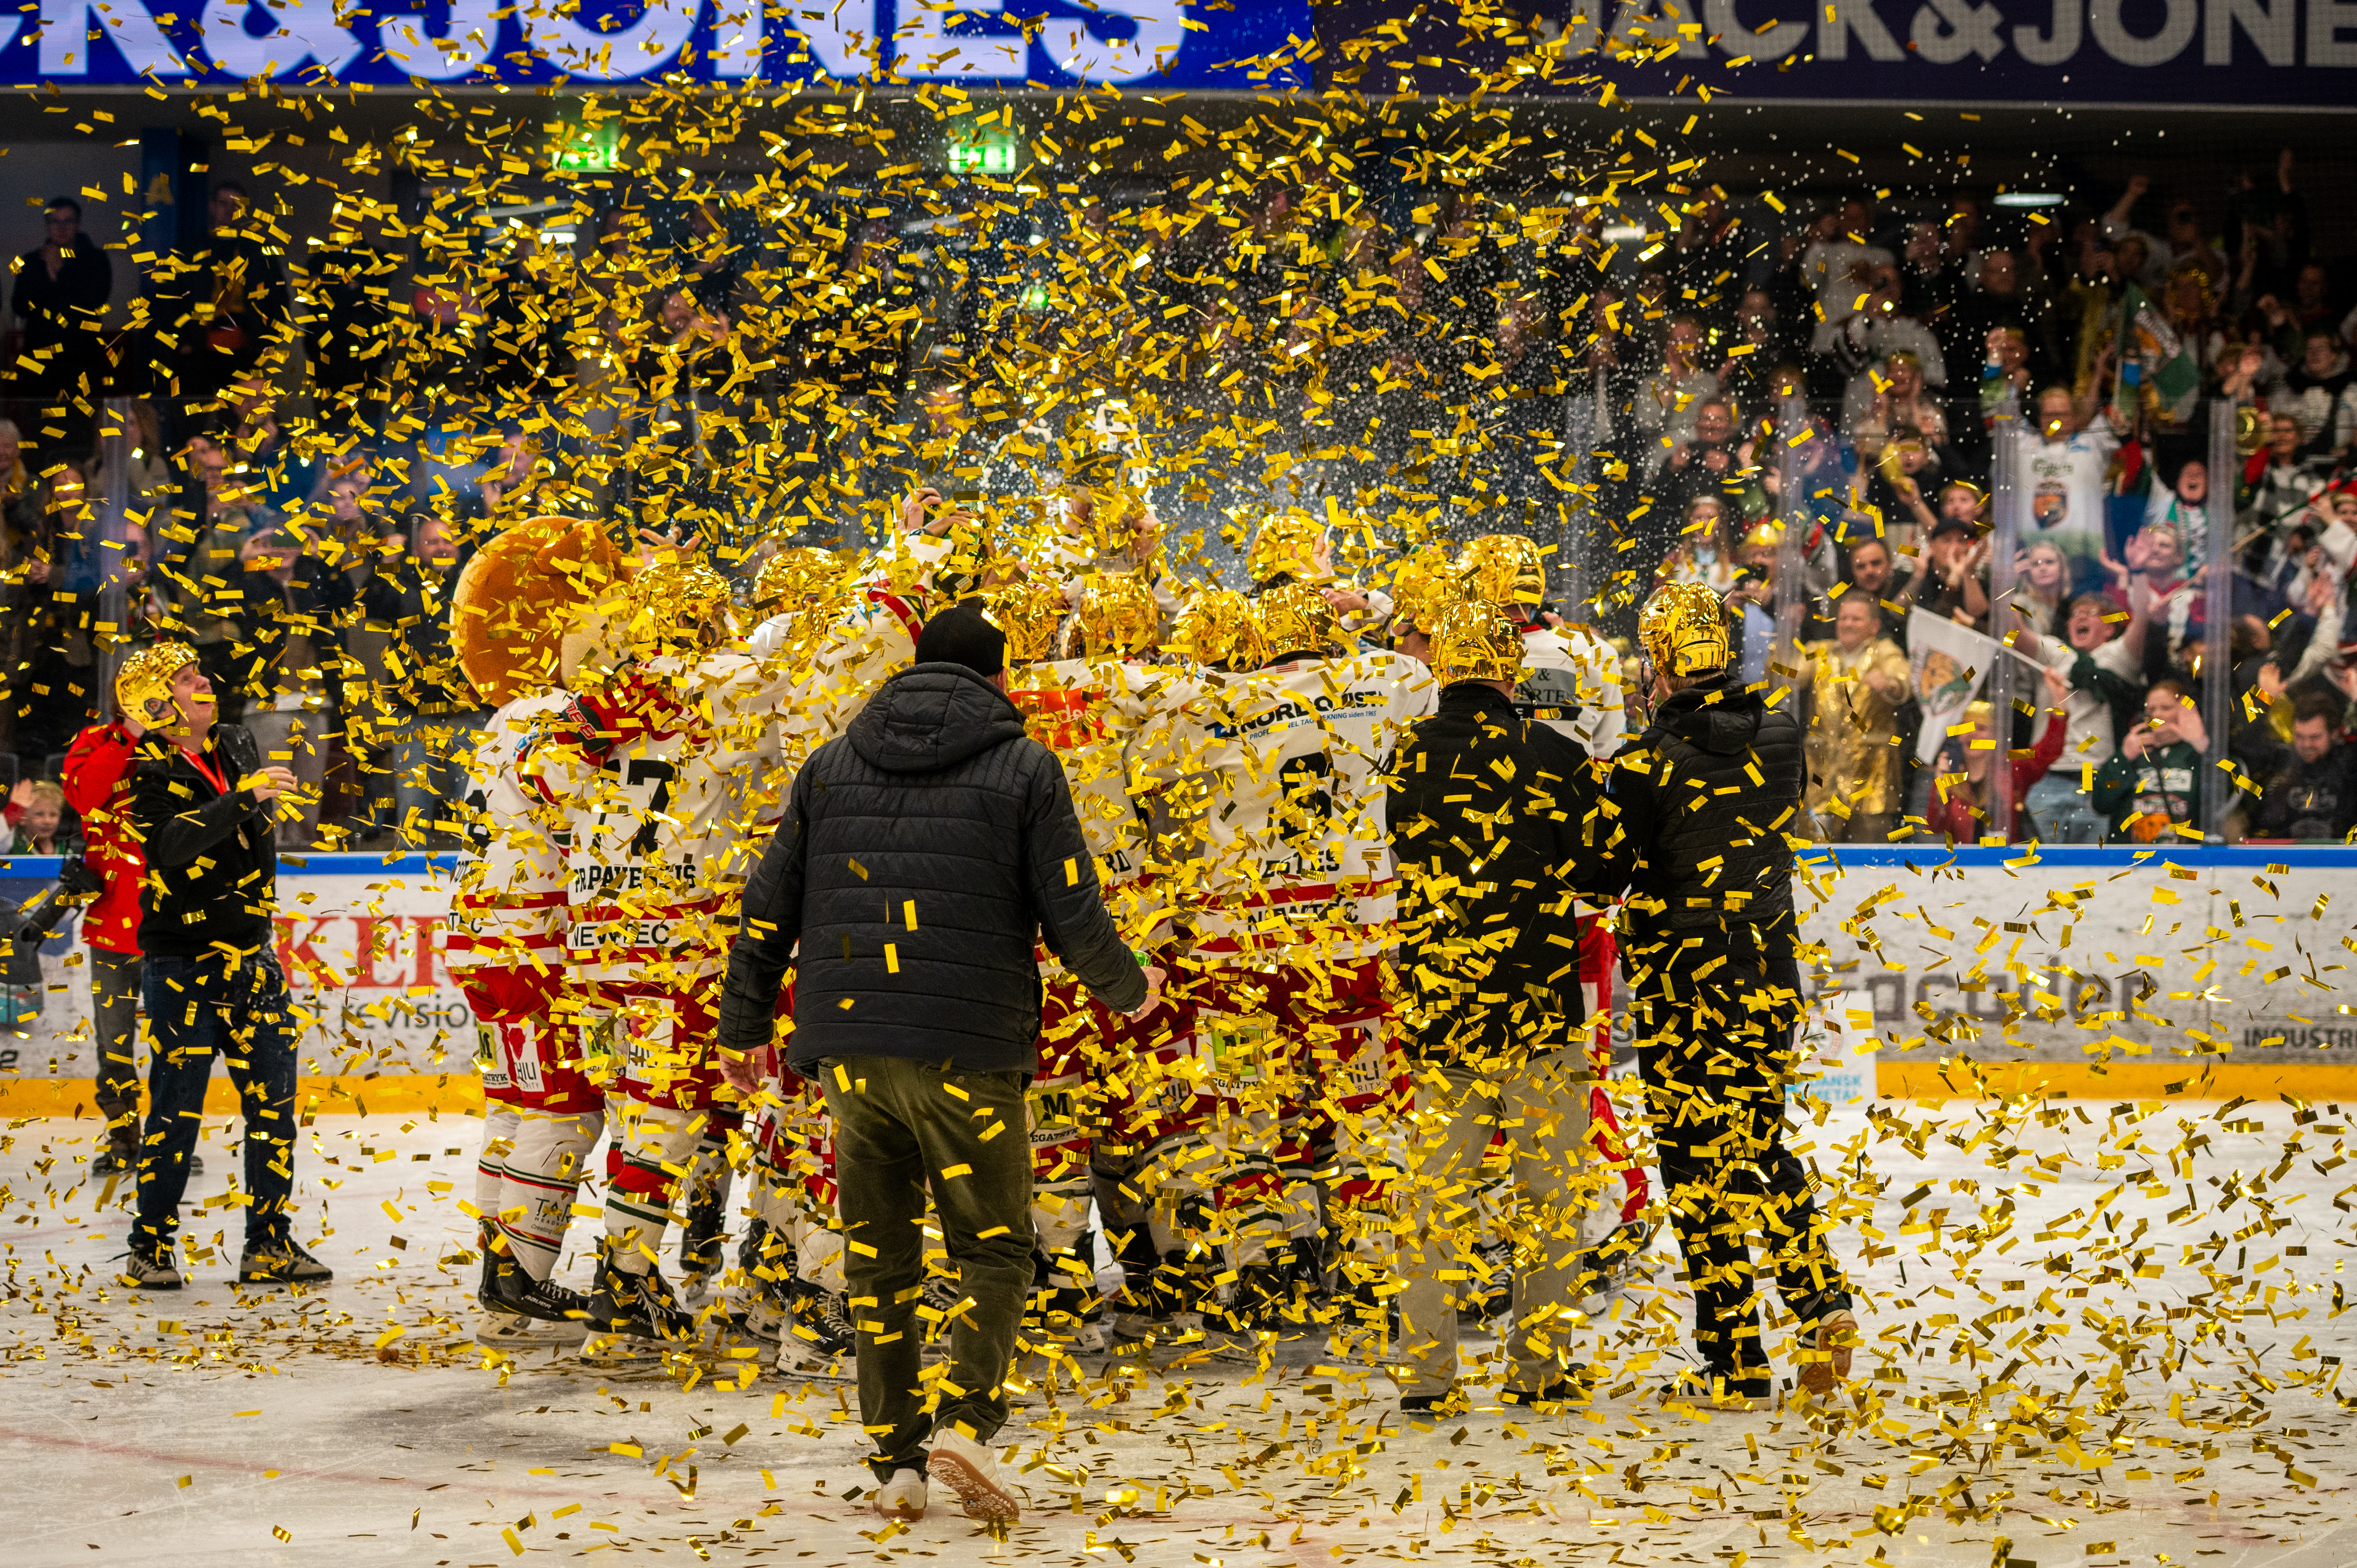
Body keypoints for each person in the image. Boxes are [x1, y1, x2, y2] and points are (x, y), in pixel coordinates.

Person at [716, 601, 1155, 1529]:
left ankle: (897, 1465)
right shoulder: (1026, 767)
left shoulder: (830, 764)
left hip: (850, 1053)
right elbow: (1071, 910)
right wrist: (1130, 991)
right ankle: (966, 1420)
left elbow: (766, 904)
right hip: (968, 1049)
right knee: (993, 1246)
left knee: (877, 1261)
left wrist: (744, 1024)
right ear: (1000, 680)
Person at [1598, 582, 1856, 1409]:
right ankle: (1820, 1298)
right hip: (1769, 970)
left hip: (1685, 982)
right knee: (1758, 1140)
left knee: (1697, 1166)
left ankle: (1736, 1361)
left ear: (1665, 663)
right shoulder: (1782, 731)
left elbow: (1604, 875)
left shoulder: (1643, 764)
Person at [1388, 599, 1610, 1414]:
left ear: (1441, 665)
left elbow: (1408, 856)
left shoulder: (1407, 755)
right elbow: (1594, 874)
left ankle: (1427, 1377)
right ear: (1511, 670)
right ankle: (1538, 1369)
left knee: (1433, 1204)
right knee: (1549, 1200)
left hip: (1444, 1010)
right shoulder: (1552, 752)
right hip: (1537, 1009)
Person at [113, 641, 330, 1289]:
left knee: (274, 1108)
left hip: (252, 957)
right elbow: (169, 849)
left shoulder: (236, 741)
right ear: (159, 703)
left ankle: (269, 1244)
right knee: (175, 1114)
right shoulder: (146, 766)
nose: (203, 680)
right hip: (182, 965)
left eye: (199, 672)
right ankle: (148, 1248)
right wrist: (243, 798)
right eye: (185, 678)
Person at [62, 684, 172, 1179]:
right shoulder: (94, 741)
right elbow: (86, 797)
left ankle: (170, 1142)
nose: (156, 703)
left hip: (173, 928)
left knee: (176, 1047)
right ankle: (125, 1140)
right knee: (115, 1049)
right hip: (112, 928)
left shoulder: (185, 746)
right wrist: (129, 735)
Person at [1797, 592, 1911, 844]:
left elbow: (1903, 682)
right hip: (1822, 772)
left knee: (1871, 855)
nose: (1847, 623)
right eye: (1843, 618)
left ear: (1874, 626)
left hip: (1870, 772)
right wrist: (1786, 631)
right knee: (1816, 855)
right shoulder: (1819, 651)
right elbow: (1787, 674)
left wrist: (1890, 684)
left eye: (1856, 619)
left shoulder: (1885, 651)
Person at [9, 196, 113, 459]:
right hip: (41, 362)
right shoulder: (30, 261)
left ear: (78, 225)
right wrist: (47, 271)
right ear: (46, 225)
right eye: (55, 221)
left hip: (81, 359)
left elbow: (95, 299)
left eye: (68, 221)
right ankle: (45, 490)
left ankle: (80, 489)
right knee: (44, 431)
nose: (61, 227)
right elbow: (20, 306)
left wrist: (59, 273)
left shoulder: (96, 260)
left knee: (81, 429)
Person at [1922, 673, 2071, 845]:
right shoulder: (1951, 774)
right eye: (1966, 728)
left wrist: (2060, 703)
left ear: (1995, 736)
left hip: (2007, 865)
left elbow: (2049, 751)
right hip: (1964, 866)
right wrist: (1942, 789)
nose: (1973, 733)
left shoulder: (2012, 766)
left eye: (1982, 728)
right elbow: (1935, 827)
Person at [2092, 677, 2209, 844]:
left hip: (2184, 857)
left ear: (2186, 711)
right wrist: (2124, 758)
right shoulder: (2133, 751)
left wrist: (2200, 744)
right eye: (2151, 709)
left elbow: (2221, 799)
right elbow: (2101, 803)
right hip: (2130, 858)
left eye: (2166, 708)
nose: (2157, 715)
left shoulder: (2197, 754)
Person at [2248, 696, 2357, 841]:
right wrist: (2265, 697)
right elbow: (2248, 744)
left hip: (2341, 859)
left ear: (2334, 734)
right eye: (2299, 736)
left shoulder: (2350, 765)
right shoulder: (2280, 762)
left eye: (2315, 737)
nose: (2306, 745)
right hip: (2283, 858)